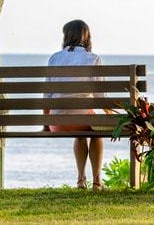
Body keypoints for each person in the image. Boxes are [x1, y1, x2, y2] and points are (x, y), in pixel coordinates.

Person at [46, 19, 104, 189]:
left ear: (66, 36)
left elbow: (47, 95)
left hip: (57, 123)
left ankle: (80, 179)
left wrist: (45, 122)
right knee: (94, 129)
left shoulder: (55, 58)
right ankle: (96, 181)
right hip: (82, 121)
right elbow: (101, 96)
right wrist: (111, 112)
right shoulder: (92, 59)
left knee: (82, 131)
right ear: (86, 36)